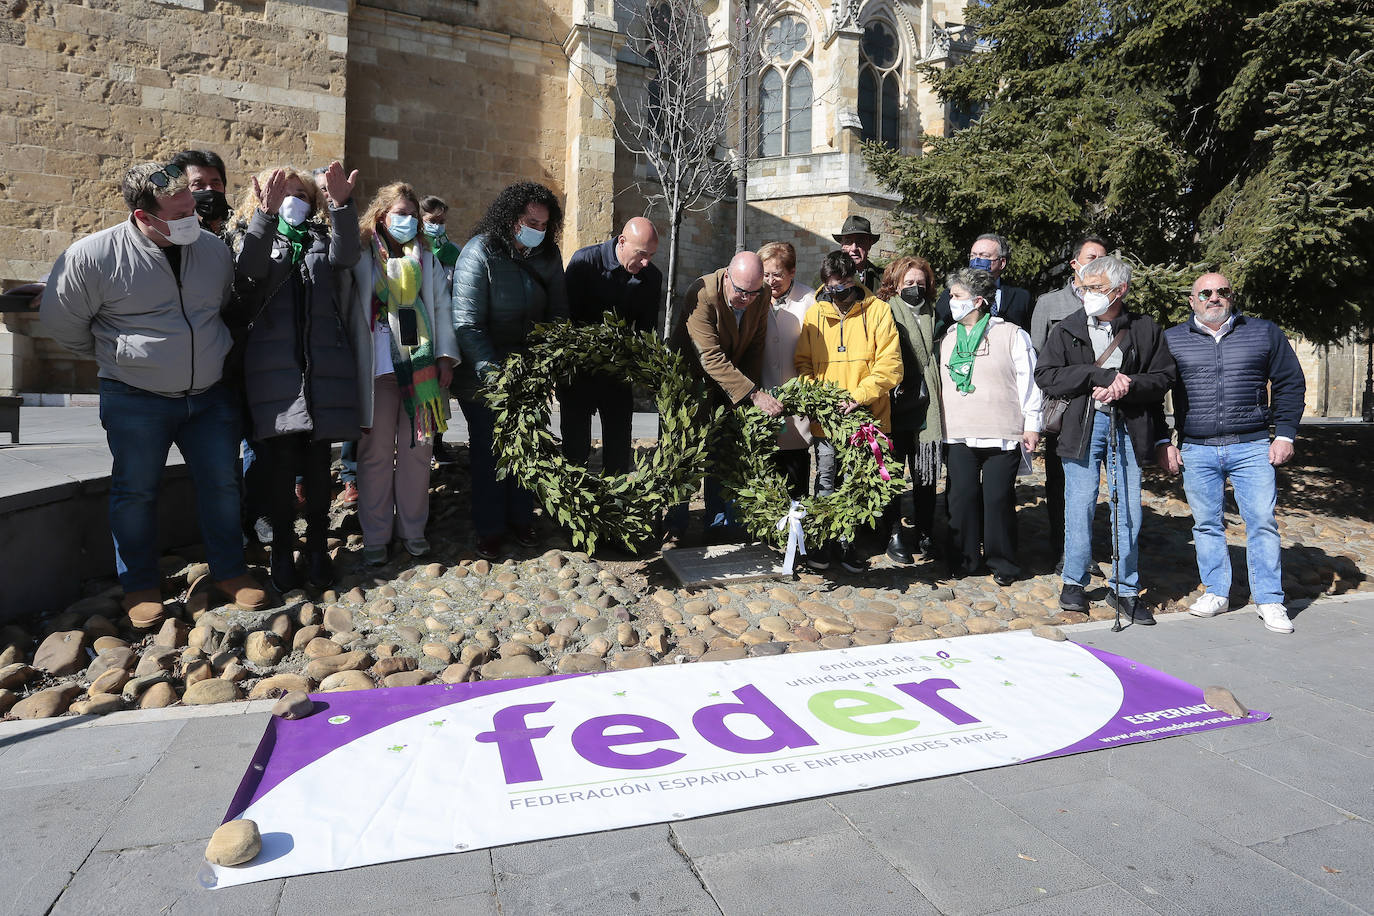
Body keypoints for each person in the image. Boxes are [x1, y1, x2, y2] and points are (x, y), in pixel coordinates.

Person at [39, 161, 266, 627]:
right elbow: (64, 325)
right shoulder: (92, 256)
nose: (193, 218)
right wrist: (123, 357)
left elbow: (217, 307)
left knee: (223, 487)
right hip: (135, 397)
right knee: (135, 492)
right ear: (144, 217)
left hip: (208, 396)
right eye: (180, 213)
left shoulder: (212, 250)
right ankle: (139, 585)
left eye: (192, 208)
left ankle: (228, 571)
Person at [229, 162, 361, 591]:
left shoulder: (322, 238)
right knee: (279, 469)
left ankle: (319, 548)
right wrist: (265, 219)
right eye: (284, 192)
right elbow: (249, 273)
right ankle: (282, 552)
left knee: (319, 468)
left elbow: (348, 257)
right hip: (275, 373)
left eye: (303, 194)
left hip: (322, 369)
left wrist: (342, 207)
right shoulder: (252, 234)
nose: (294, 201)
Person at [1156, 272, 1306, 633]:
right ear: (1192, 301)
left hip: (1252, 446)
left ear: (1231, 296)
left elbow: (1289, 382)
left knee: (1262, 524)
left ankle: (1270, 600)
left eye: (1222, 291)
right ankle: (1216, 592)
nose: (1214, 297)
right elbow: (1152, 393)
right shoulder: (1172, 340)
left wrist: (1284, 435)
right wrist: (1163, 441)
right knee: (1207, 525)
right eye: (1205, 292)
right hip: (1197, 447)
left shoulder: (1263, 332)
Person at [1034, 255, 1176, 624]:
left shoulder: (1146, 329)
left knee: (1127, 508)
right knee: (1078, 504)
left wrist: (1128, 385)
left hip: (1128, 427)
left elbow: (1163, 377)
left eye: (1096, 288)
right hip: (1080, 428)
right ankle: (1074, 582)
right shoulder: (1067, 328)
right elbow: (1047, 375)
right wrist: (1096, 375)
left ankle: (1125, 587)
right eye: (1084, 288)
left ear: (1120, 290)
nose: (1087, 295)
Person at [452, 181, 569, 560]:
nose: (536, 228)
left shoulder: (548, 257)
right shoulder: (479, 253)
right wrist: (498, 378)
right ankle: (489, 528)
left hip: (528, 372)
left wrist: (541, 367)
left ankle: (521, 518)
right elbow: (468, 325)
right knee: (490, 451)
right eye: (529, 220)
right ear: (510, 217)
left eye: (543, 223)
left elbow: (558, 315)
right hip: (484, 377)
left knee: (527, 446)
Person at [344, 182, 459, 566]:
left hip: (419, 372)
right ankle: (376, 534)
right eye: (400, 213)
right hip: (376, 371)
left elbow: (441, 308)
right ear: (381, 215)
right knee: (374, 455)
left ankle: (412, 529)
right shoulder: (362, 255)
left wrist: (445, 357)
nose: (407, 221)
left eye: (413, 214)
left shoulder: (426, 257)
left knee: (417, 452)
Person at [795, 251, 902, 573]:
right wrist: (819, 397)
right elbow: (803, 362)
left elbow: (890, 364)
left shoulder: (879, 312)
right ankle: (825, 542)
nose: (836, 296)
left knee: (857, 483)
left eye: (842, 288)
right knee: (826, 480)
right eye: (830, 290)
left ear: (854, 280)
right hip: (827, 422)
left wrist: (858, 396)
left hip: (865, 418)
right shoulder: (815, 315)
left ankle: (850, 545)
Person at [666, 251, 782, 542]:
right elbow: (710, 357)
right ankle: (675, 526)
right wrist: (753, 394)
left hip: (731, 387)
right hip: (689, 384)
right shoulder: (703, 292)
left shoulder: (761, 293)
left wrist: (745, 397)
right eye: (741, 291)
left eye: (753, 293)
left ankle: (716, 523)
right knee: (683, 456)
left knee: (720, 454)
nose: (747, 298)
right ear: (727, 276)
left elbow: (756, 344)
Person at [936, 267, 1041, 585]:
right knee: (961, 497)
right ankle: (965, 559)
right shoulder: (949, 337)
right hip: (958, 429)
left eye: (957, 296)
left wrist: (1032, 423)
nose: (951, 301)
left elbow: (1030, 381)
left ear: (978, 300)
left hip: (1001, 428)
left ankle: (1003, 561)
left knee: (997, 498)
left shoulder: (1011, 333)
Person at [1031, 235, 1110, 570]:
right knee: (1061, 481)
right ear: (1074, 263)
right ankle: (1063, 548)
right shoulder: (1049, 304)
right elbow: (1036, 354)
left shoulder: (1112, 301)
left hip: (1103, 405)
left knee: (1095, 483)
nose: (1097, 264)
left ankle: (1087, 547)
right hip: (1064, 406)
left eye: (1103, 259)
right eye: (1091, 257)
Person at [560, 217, 663, 476]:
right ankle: (573, 504)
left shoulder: (652, 277)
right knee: (575, 449)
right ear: (622, 242)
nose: (645, 262)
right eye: (641, 254)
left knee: (618, 449)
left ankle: (614, 505)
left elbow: (646, 331)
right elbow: (564, 318)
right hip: (578, 370)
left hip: (617, 373)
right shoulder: (585, 263)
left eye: (651, 255)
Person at [878, 255, 942, 564]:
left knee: (925, 476)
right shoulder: (885, 311)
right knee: (892, 476)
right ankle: (893, 533)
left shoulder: (938, 314)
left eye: (920, 283)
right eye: (908, 283)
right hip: (895, 406)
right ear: (894, 284)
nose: (915, 288)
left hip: (928, 408)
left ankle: (926, 532)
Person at [758, 241, 814, 498]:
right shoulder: (754, 298)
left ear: (792, 272)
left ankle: (795, 530)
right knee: (765, 473)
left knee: (795, 471)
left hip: (797, 400)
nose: (771, 281)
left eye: (777, 274)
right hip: (762, 396)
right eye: (766, 274)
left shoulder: (810, 300)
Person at [420, 196, 461, 468]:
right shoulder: (415, 251)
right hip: (421, 327)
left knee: (442, 390)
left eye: (442, 221)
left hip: (445, 324)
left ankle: (438, 443)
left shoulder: (453, 252)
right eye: (433, 221)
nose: (438, 227)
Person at [935, 234, 1032, 334]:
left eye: (984, 256)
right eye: (973, 256)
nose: (977, 260)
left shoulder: (1021, 297)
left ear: (1002, 262)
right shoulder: (951, 296)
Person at [169, 149, 231, 237]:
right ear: (181, 190)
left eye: (215, 183)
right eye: (198, 184)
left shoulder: (244, 226)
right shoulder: (176, 232)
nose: (209, 189)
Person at [831, 216, 883, 293]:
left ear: (869, 245)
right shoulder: (828, 277)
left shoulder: (883, 279)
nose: (854, 248)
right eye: (848, 242)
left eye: (860, 242)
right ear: (842, 245)